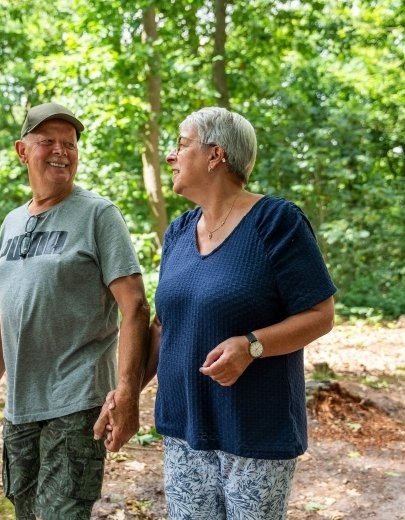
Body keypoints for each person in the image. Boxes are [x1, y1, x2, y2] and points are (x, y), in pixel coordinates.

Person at [94, 107, 336, 519]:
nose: (170, 156)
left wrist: (252, 346)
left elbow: (320, 314)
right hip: (184, 429)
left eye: (181, 144)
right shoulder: (178, 232)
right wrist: (127, 392)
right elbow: (163, 326)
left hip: (256, 432)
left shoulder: (277, 222)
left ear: (215, 155)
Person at [0, 102, 150, 520]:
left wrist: (126, 393)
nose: (61, 150)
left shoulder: (99, 214)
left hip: (77, 402)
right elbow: (7, 312)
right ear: (22, 151)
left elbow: (134, 306)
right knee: (26, 511)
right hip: (21, 405)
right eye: (48, 142)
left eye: (70, 143)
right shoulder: (11, 223)